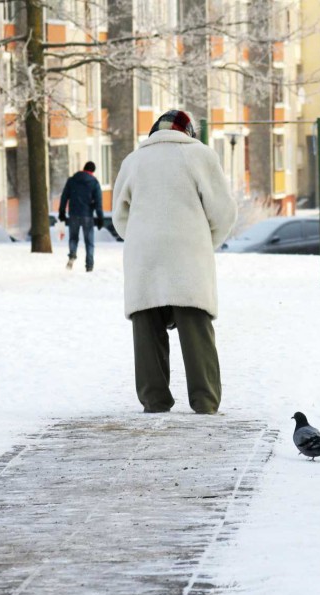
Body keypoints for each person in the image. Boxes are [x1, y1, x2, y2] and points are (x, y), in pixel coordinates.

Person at [111, 110, 237, 415]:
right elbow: (223, 212)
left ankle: (154, 400)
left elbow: (119, 216)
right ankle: (205, 400)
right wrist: (205, 241)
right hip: (188, 252)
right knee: (195, 327)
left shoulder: (133, 161)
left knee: (146, 327)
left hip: (144, 254)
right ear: (188, 132)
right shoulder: (200, 156)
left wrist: (140, 237)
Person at [58, 161, 104, 271]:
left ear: (84, 168)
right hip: (87, 215)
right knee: (89, 242)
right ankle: (89, 265)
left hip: (73, 214)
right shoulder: (94, 183)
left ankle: (72, 254)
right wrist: (100, 217)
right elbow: (98, 202)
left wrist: (61, 212)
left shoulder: (72, 180)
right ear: (93, 171)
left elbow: (64, 197)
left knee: (73, 238)